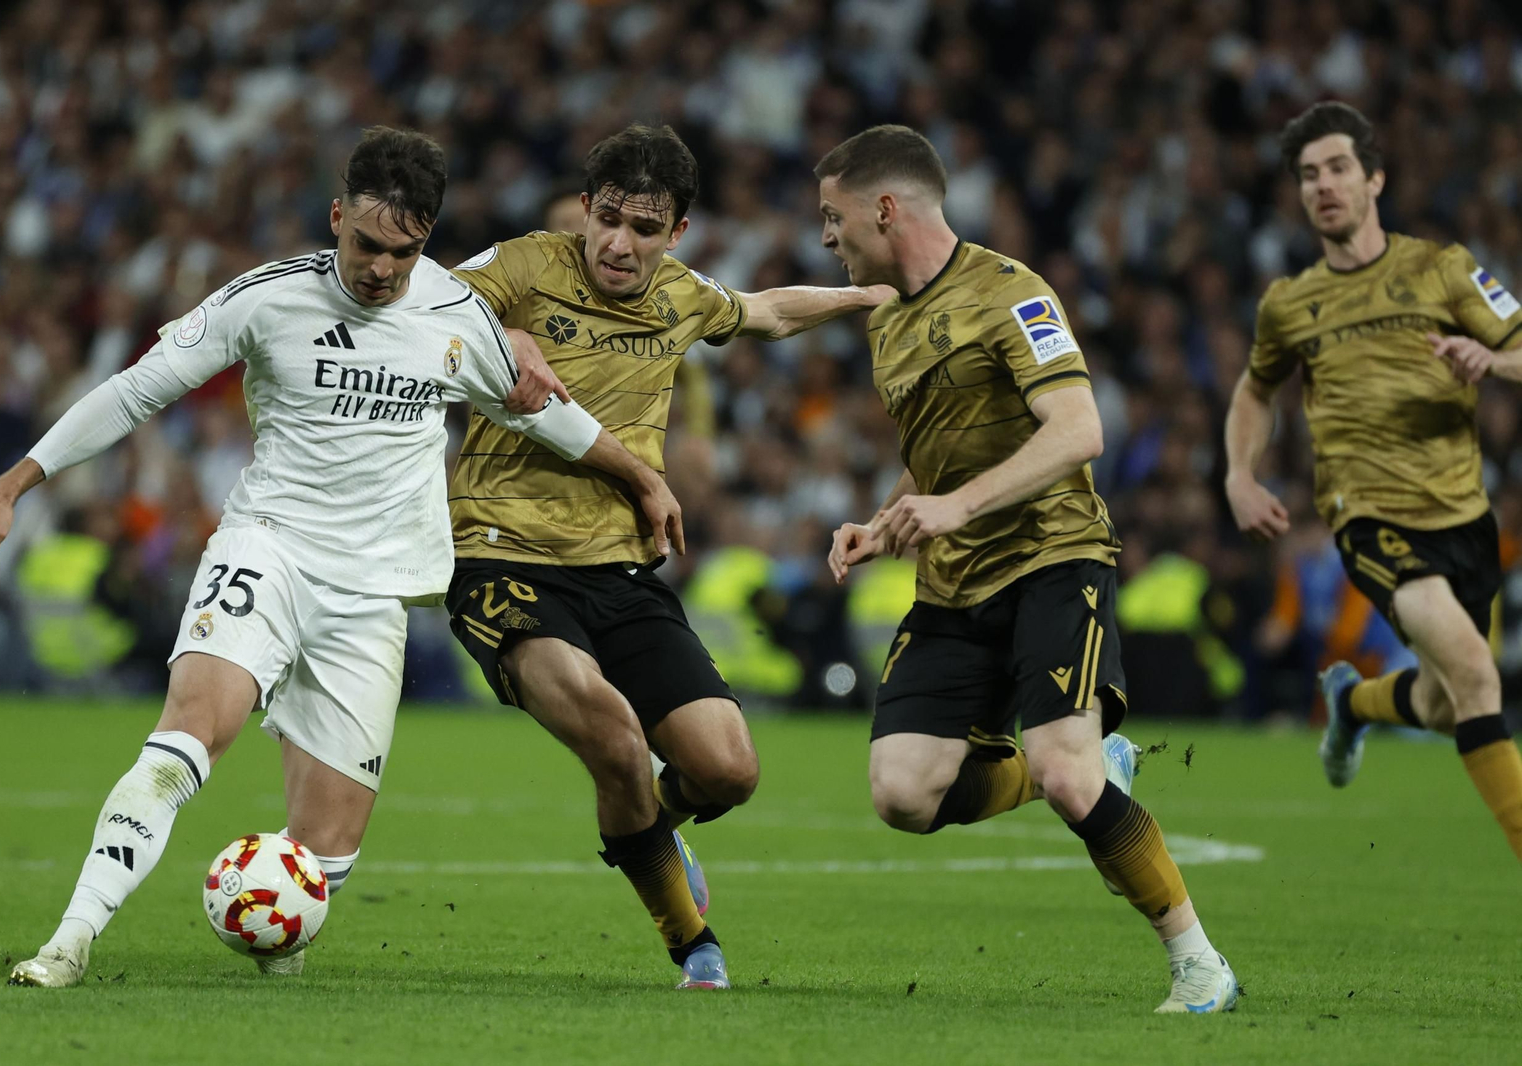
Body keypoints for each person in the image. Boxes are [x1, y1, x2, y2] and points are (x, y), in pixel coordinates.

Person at [0, 126, 676, 987]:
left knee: (326, 861)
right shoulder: (267, 299)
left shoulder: (455, 315)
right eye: (366, 244)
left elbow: (545, 414)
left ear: (427, 240)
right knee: (186, 739)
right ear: (336, 217)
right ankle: (68, 942)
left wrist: (641, 478)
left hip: (374, 598)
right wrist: (12, 484)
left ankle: (269, 946)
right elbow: (135, 389)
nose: (380, 268)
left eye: (402, 251)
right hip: (271, 549)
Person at [446, 123, 890, 989]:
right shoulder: (530, 264)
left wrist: (865, 299)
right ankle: (695, 947)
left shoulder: (682, 296)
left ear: (677, 233)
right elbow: (434, 297)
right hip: (501, 558)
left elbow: (764, 312)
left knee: (728, 769)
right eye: (607, 219)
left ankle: (655, 825)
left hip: (617, 569)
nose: (620, 243)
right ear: (584, 209)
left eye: (645, 229)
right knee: (613, 734)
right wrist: (510, 337)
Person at [818, 125, 1238, 1013]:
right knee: (902, 795)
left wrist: (955, 507)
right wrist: (891, 514)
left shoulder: (1013, 294)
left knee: (1064, 771)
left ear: (885, 208)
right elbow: (937, 453)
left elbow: (1080, 430)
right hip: (953, 581)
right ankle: (1094, 761)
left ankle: (1199, 962)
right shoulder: (887, 320)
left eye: (834, 216)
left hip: (1054, 558)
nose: (827, 237)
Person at [1224, 102, 1522, 861]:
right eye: (1308, 175)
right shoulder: (1290, 305)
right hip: (1368, 518)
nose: (1322, 185)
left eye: (1338, 168)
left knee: (1448, 702)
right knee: (1480, 681)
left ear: (1374, 178)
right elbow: (1257, 391)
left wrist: (1492, 361)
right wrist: (1238, 473)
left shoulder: (1443, 268)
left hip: (1463, 516)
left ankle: (1353, 704)